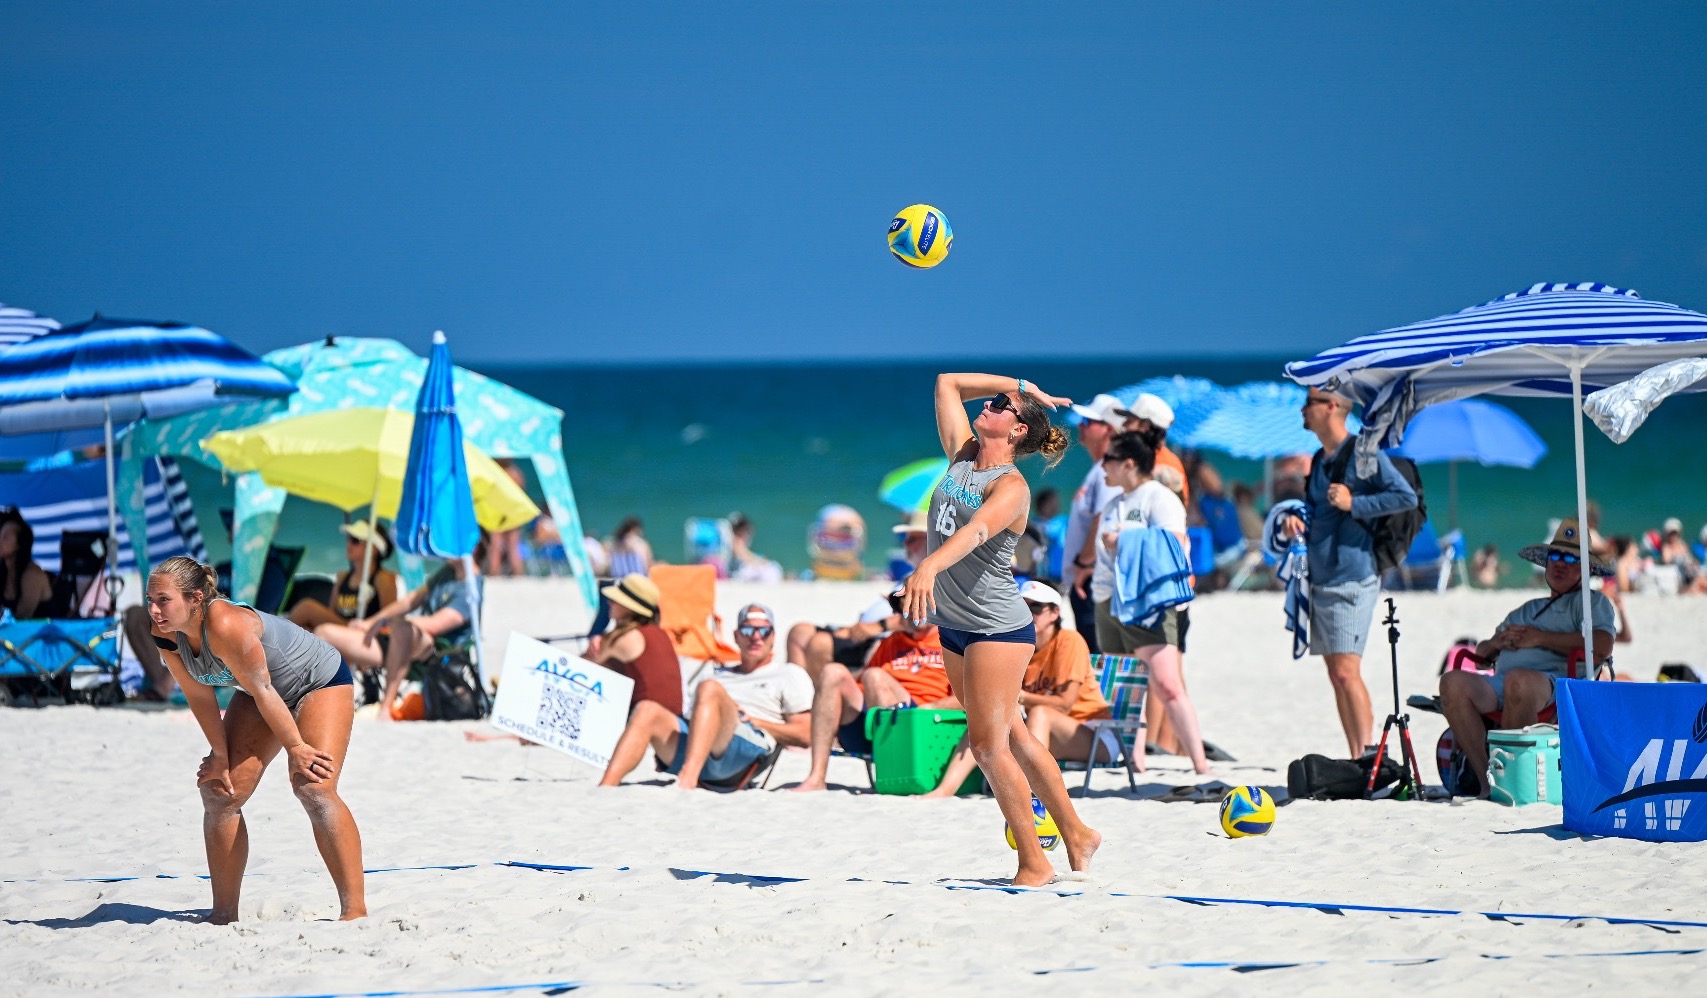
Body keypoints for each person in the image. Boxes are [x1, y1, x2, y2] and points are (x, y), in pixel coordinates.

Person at [898, 372, 1100, 887]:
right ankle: (1077, 833)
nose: (989, 405)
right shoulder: (962, 455)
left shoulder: (1011, 487)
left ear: (1016, 433)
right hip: (956, 625)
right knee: (1014, 735)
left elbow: (976, 531)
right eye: (993, 402)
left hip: (997, 628)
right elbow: (946, 382)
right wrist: (1021, 385)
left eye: (1002, 406)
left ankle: (1034, 861)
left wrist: (927, 567)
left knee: (988, 747)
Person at [143, 556, 364, 922]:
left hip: (318, 680)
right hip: (259, 692)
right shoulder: (164, 633)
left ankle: (355, 912)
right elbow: (200, 695)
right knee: (219, 791)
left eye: (163, 600)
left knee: (314, 786)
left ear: (196, 598)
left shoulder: (225, 623)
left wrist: (296, 748)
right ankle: (224, 914)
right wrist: (218, 753)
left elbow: (263, 689)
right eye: (150, 599)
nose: (154, 609)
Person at [1278, 387, 1418, 759]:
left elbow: (1405, 497)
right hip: (1320, 577)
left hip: (1353, 576)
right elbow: (1318, 512)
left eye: (1308, 402)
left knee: (1346, 672)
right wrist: (1297, 520)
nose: (1302, 409)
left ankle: (1371, 758)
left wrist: (1356, 502)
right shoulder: (1320, 459)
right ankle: (1358, 756)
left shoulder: (1362, 453)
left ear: (1331, 407)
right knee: (1336, 674)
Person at [1438, 519, 1616, 798]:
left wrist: (1540, 638)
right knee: (1452, 682)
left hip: (1556, 684)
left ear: (1585, 568)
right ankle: (1488, 782)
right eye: (1555, 556)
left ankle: (1511, 781)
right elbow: (1482, 656)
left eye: (1571, 558)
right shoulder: (1527, 609)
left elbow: (1603, 645)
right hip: (1503, 682)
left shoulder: (1591, 603)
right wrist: (1496, 642)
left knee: (1518, 682)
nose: (1560, 563)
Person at [1091, 431, 1211, 774]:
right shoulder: (1115, 503)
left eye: (1109, 459)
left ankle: (1200, 763)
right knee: (1121, 689)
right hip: (1110, 600)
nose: (1103, 466)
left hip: (1148, 604)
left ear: (1129, 464)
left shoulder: (1159, 498)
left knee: (1168, 685)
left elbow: (1174, 545)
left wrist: (1124, 540)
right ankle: (1134, 761)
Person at [924, 580, 1110, 797]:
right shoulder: (1019, 644)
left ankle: (1028, 791)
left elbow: (1065, 704)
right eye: (1023, 606)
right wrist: (932, 707)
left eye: (1036, 607)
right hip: (1041, 732)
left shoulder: (1068, 641)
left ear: (1055, 613)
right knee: (985, 718)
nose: (1029, 613)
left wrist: (1022, 697)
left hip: (1094, 733)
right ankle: (946, 789)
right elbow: (985, 694)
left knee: (1040, 714)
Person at [600, 603, 812, 789]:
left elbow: (805, 734)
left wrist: (760, 722)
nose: (755, 637)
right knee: (647, 709)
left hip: (744, 750)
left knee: (709, 688)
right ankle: (606, 786)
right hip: (700, 741)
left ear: (773, 637)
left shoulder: (788, 674)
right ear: (736, 636)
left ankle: (688, 779)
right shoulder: (718, 672)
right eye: (748, 630)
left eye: (763, 631)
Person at [791, 600, 959, 792]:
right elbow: (860, 682)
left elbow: (964, 701)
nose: (912, 611)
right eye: (905, 606)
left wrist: (929, 708)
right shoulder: (891, 642)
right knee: (833, 672)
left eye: (919, 604)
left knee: (875, 676)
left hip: (919, 724)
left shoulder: (948, 642)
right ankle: (816, 777)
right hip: (875, 718)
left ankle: (893, 770)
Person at [314, 539, 485, 721]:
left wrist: (389, 624)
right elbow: (410, 601)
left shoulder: (471, 587)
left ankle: (385, 708)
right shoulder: (448, 573)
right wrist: (373, 621)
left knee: (403, 630)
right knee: (323, 633)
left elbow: (434, 625)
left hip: (436, 651)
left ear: (472, 546)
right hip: (399, 642)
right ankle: (326, 701)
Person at [1065, 394, 1125, 654]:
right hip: (1091, 577)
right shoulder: (1101, 468)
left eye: (1089, 421)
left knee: (1097, 657)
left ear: (1108, 429)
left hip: (1093, 577)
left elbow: (1103, 520)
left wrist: (1083, 564)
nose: (1081, 425)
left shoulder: (1106, 469)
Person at [586, 572, 684, 721]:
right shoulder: (659, 634)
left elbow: (581, 668)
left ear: (629, 607)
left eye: (616, 599)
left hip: (650, 725)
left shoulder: (625, 638)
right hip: (675, 721)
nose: (610, 602)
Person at [287, 521, 401, 632]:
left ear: (374, 548)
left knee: (307, 608)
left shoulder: (384, 579)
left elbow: (390, 620)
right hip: (341, 629)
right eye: (349, 539)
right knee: (305, 629)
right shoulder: (343, 577)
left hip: (363, 633)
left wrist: (366, 626)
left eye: (355, 540)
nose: (349, 544)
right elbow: (332, 613)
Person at [784, 587, 902, 690]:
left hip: (882, 636)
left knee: (820, 643)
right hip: (864, 629)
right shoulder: (908, 574)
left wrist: (880, 625)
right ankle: (797, 699)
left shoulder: (917, 575)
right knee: (799, 632)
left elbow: (915, 615)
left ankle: (816, 702)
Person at [1113, 393, 1189, 501]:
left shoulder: (1163, 464)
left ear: (1145, 427)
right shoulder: (1145, 458)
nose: (1124, 425)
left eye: (1129, 421)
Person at [0, 508, 53, 620]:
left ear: (19, 544)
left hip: (38, 636)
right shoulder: (4, 573)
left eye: (6, 538)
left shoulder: (32, 575)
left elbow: (22, 618)